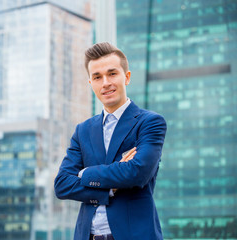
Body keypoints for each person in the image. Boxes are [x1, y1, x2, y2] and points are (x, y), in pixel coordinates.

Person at [54, 42, 167, 240]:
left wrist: (85, 173)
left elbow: (137, 172)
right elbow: (62, 184)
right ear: (91, 83)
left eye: (112, 73)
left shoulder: (150, 122)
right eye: (97, 77)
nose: (105, 82)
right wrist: (111, 187)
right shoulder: (83, 130)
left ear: (127, 77)